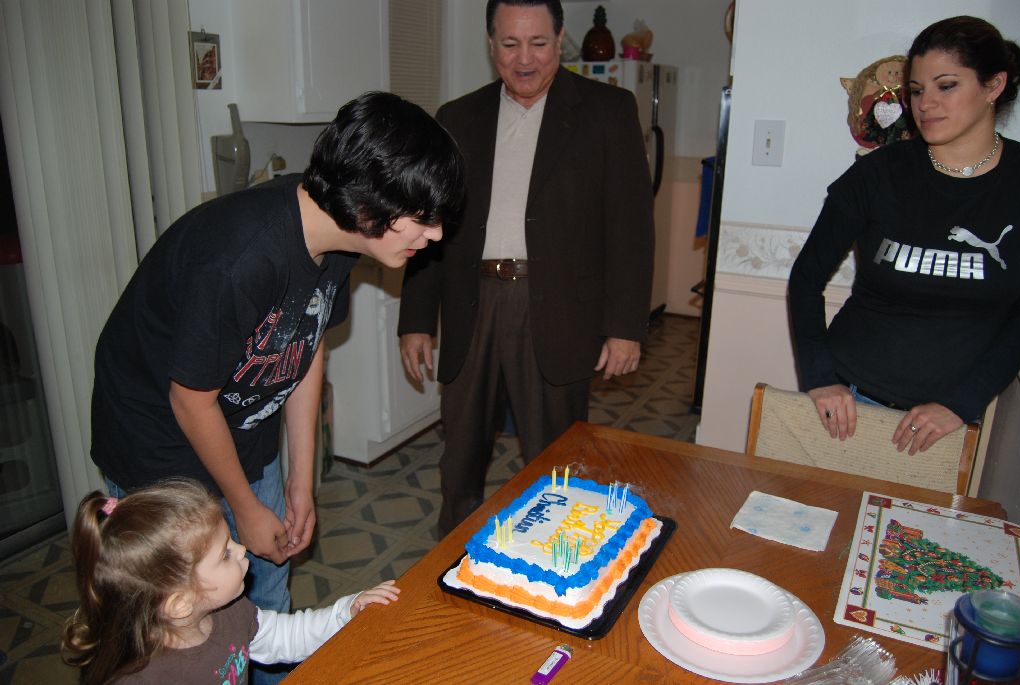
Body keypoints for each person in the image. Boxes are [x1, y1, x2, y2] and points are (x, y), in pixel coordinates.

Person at [90, 92, 462, 683]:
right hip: (159, 443)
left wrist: (300, 481)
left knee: (263, 598)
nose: (436, 234)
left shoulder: (336, 238)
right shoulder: (240, 258)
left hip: (241, 426)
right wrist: (243, 505)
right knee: (178, 630)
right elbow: (191, 399)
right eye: (423, 218)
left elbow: (305, 343)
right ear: (367, 205)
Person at [398, 0, 654, 535]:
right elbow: (428, 222)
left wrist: (626, 327)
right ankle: (454, 560)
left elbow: (631, 229)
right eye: (510, 44)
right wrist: (417, 319)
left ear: (560, 41)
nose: (525, 59)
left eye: (538, 43)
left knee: (557, 458)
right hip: (472, 305)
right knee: (459, 458)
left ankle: (557, 557)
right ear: (490, 44)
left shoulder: (608, 111)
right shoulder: (457, 117)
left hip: (557, 310)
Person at [789, 16, 1020, 456]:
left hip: (945, 426)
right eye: (916, 91)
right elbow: (806, 279)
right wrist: (820, 378)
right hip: (847, 403)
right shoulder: (879, 173)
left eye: (946, 86)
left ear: (993, 85)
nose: (926, 104)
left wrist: (962, 403)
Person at [61, 480, 400, 684]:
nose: (242, 550)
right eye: (225, 553)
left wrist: (346, 612)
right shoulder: (147, 678)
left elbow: (286, 637)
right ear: (181, 602)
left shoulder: (231, 613)